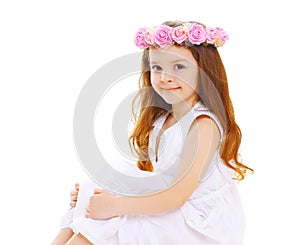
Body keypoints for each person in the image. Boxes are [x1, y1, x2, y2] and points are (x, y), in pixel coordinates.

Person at [51, 20, 253, 245]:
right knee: (101, 186)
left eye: (179, 67)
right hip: (175, 208)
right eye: (157, 68)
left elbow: (177, 196)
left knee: (112, 218)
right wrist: (96, 195)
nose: (165, 78)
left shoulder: (203, 125)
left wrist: (114, 205)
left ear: (205, 71)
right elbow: (157, 178)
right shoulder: (163, 119)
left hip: (200, 225)